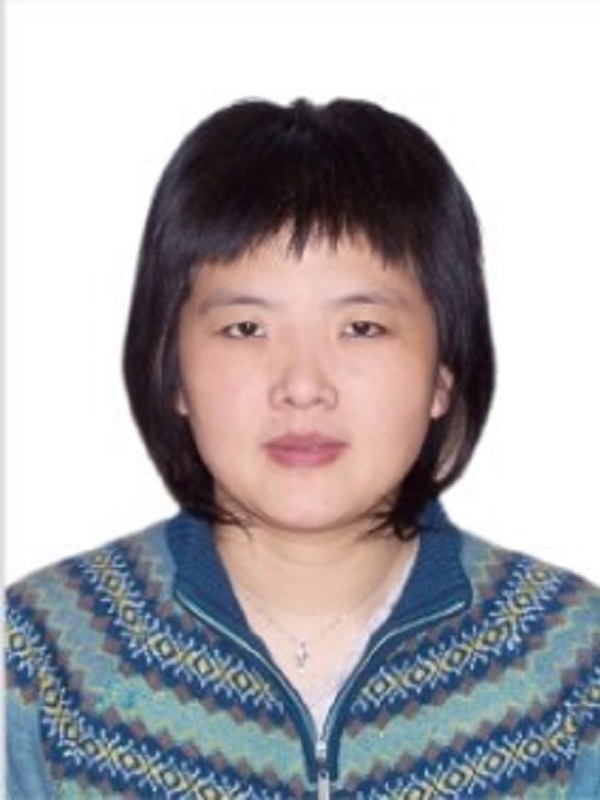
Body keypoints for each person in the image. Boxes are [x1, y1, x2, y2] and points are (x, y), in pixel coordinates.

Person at [5, 98, 598, 799]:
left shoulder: (571, 664)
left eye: (362, 328)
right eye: (246, 329)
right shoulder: (43, 659)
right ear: (174, 369)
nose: (303, 386)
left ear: (443, 373)